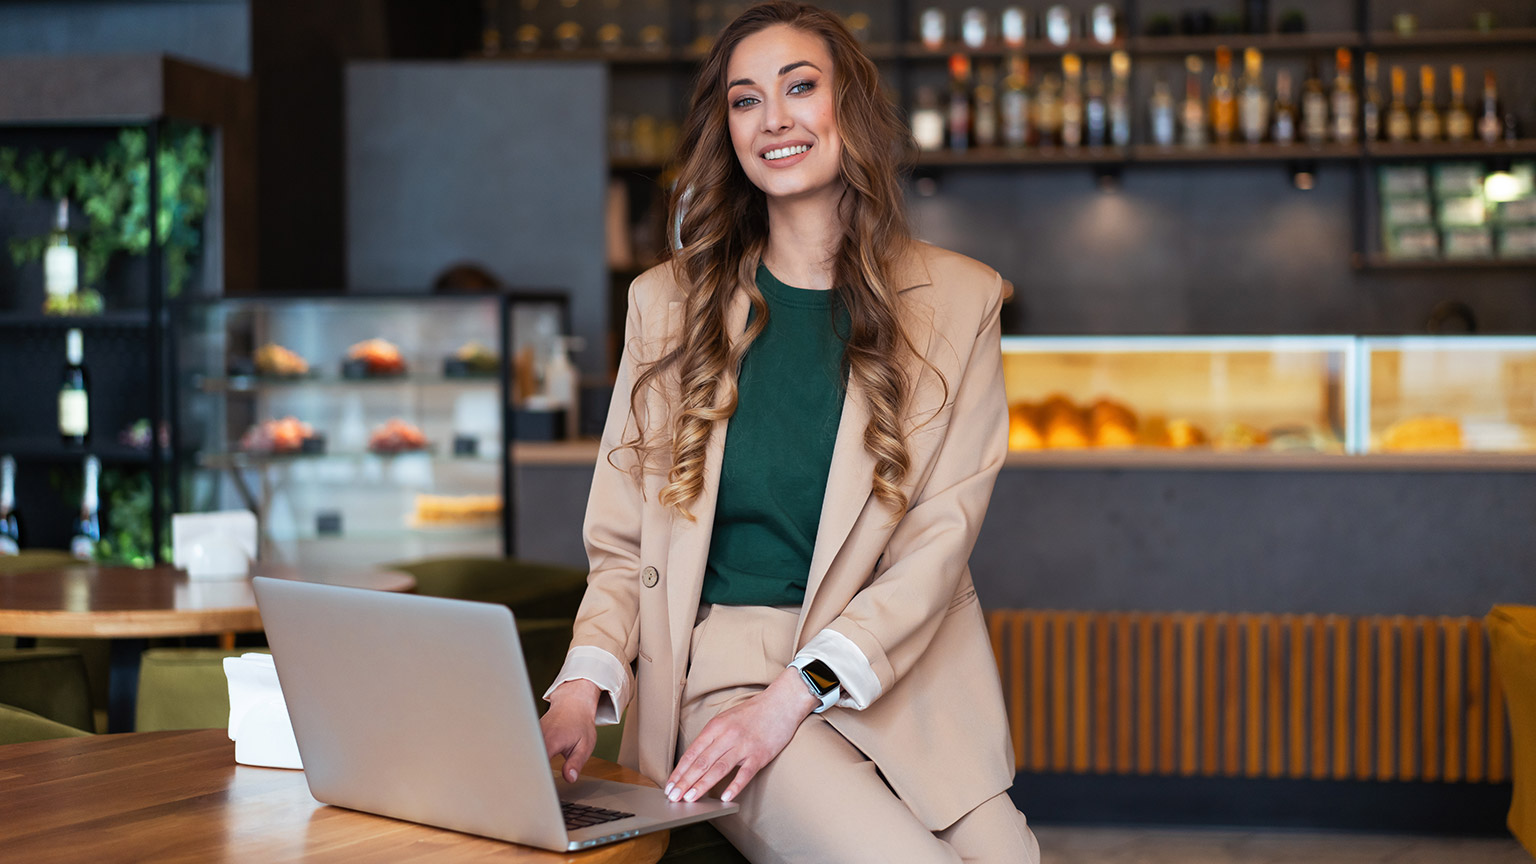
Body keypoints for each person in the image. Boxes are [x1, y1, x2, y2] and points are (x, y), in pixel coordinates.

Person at [540, 3, 1039, 861]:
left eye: (800, 87)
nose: (773, 118)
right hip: (726, 673)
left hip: (900, 674)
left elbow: (937, 546)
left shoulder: (963, 301)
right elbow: (623, 546)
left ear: (850, 107)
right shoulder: (665, 306)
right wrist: (583, 685)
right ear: (726, 129)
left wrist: (795, 696)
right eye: (745, 100)